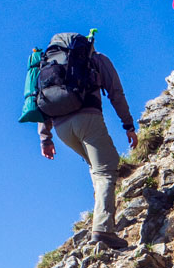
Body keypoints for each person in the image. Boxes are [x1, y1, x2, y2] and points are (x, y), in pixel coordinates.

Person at [38, 37, 137, 250]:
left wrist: (45, 138)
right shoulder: (95, 59)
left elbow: (41, 100)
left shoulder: (47, 64)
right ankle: (103, 230)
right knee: (106, 169)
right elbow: (115, 93)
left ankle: (102, 214)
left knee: (95, 167)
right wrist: (128, 125)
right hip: (88, 119)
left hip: (61, 128)